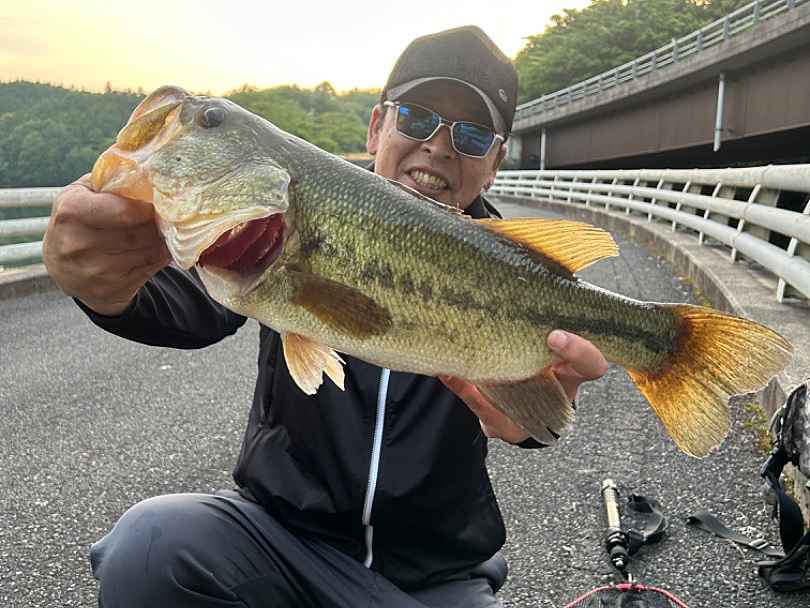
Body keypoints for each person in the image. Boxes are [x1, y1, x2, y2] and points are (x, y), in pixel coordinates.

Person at [43, 25, 607, 608]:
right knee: (149, 547)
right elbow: (183, 308)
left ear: (494, 164)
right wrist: (104, 286)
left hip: (437, 574)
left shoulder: (520, 270)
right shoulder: (284, 214)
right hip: (279, 542)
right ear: (376, 127)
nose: (438, 147)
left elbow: (536, 418)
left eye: (470, 135)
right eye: (416, 119)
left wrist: (535, 414)